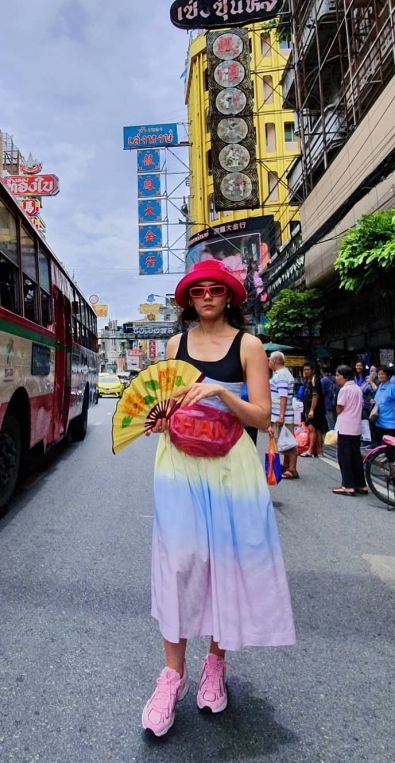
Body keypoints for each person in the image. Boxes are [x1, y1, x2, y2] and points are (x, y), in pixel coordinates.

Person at [141, 260, 295, 737]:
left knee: (222, 563)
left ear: (229, 297)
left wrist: (218, 393)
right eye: (198, 290)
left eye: (216, 290)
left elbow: (262, 417)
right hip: (179, 463)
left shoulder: (249, 346)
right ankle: (172, 676)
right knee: (180, 560)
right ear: (189, 299)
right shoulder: (173, 344)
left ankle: (215, 664)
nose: (207, 296)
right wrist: (160, 416)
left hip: (233, 465)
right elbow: (166, 401)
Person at [333, 365, 367, 496]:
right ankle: (361, 484)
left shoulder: (345, 390)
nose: (336, 378)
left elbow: (339, 407)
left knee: (344, 456)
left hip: (345, 426)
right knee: (356, 456)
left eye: (338, 376)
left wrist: (338, 411)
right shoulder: (357, 389)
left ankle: (348, 485)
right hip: (356, 426)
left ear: (345, 377)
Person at [268, 351, 299, 479]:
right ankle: (286, 465)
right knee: (284, 440)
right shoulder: (281, 374)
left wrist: (281, 416)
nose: (269, 362)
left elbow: (283, 397)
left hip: (283, 416)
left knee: (289, 442)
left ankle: (292, 469)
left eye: (270, 360)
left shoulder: (281, 375)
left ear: (274, 361)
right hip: (281, 414)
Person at [301, 363, 326, 457]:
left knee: (312, 428)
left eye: (308, 369)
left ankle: (310, 450)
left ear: (312, 370)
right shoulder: (308, 380)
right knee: (318, 429)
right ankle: (319, 450)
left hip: (315, 409)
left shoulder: (314, 379)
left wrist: (311, 410)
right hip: (315, 408)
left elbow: (315, 396)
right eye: (304, 370)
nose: (306, 371)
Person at [370, 366, 395, 444]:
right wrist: (373, 401)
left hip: (390, 422)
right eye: (379, 374)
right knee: (383, 444)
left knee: (390, 445)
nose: (380, 376)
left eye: (383, 374)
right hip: (379, 421)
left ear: (387, 375)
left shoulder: (392, 387)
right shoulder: (380, 386)